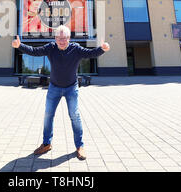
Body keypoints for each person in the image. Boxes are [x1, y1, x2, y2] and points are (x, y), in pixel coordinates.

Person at [12, 25, 110, 160]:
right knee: (48, 115)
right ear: (55, 38)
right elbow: (35, 51)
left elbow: (90, 53)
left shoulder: (75, 49)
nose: (61, 41)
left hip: (71, 88)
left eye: (64, 38)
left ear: (69, 38)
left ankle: (79, 146)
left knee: (74, 116)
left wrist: (102, 49)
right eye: (58, 38)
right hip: (54, 87)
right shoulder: (51, 48)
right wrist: (20, 46)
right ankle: (46, 143)